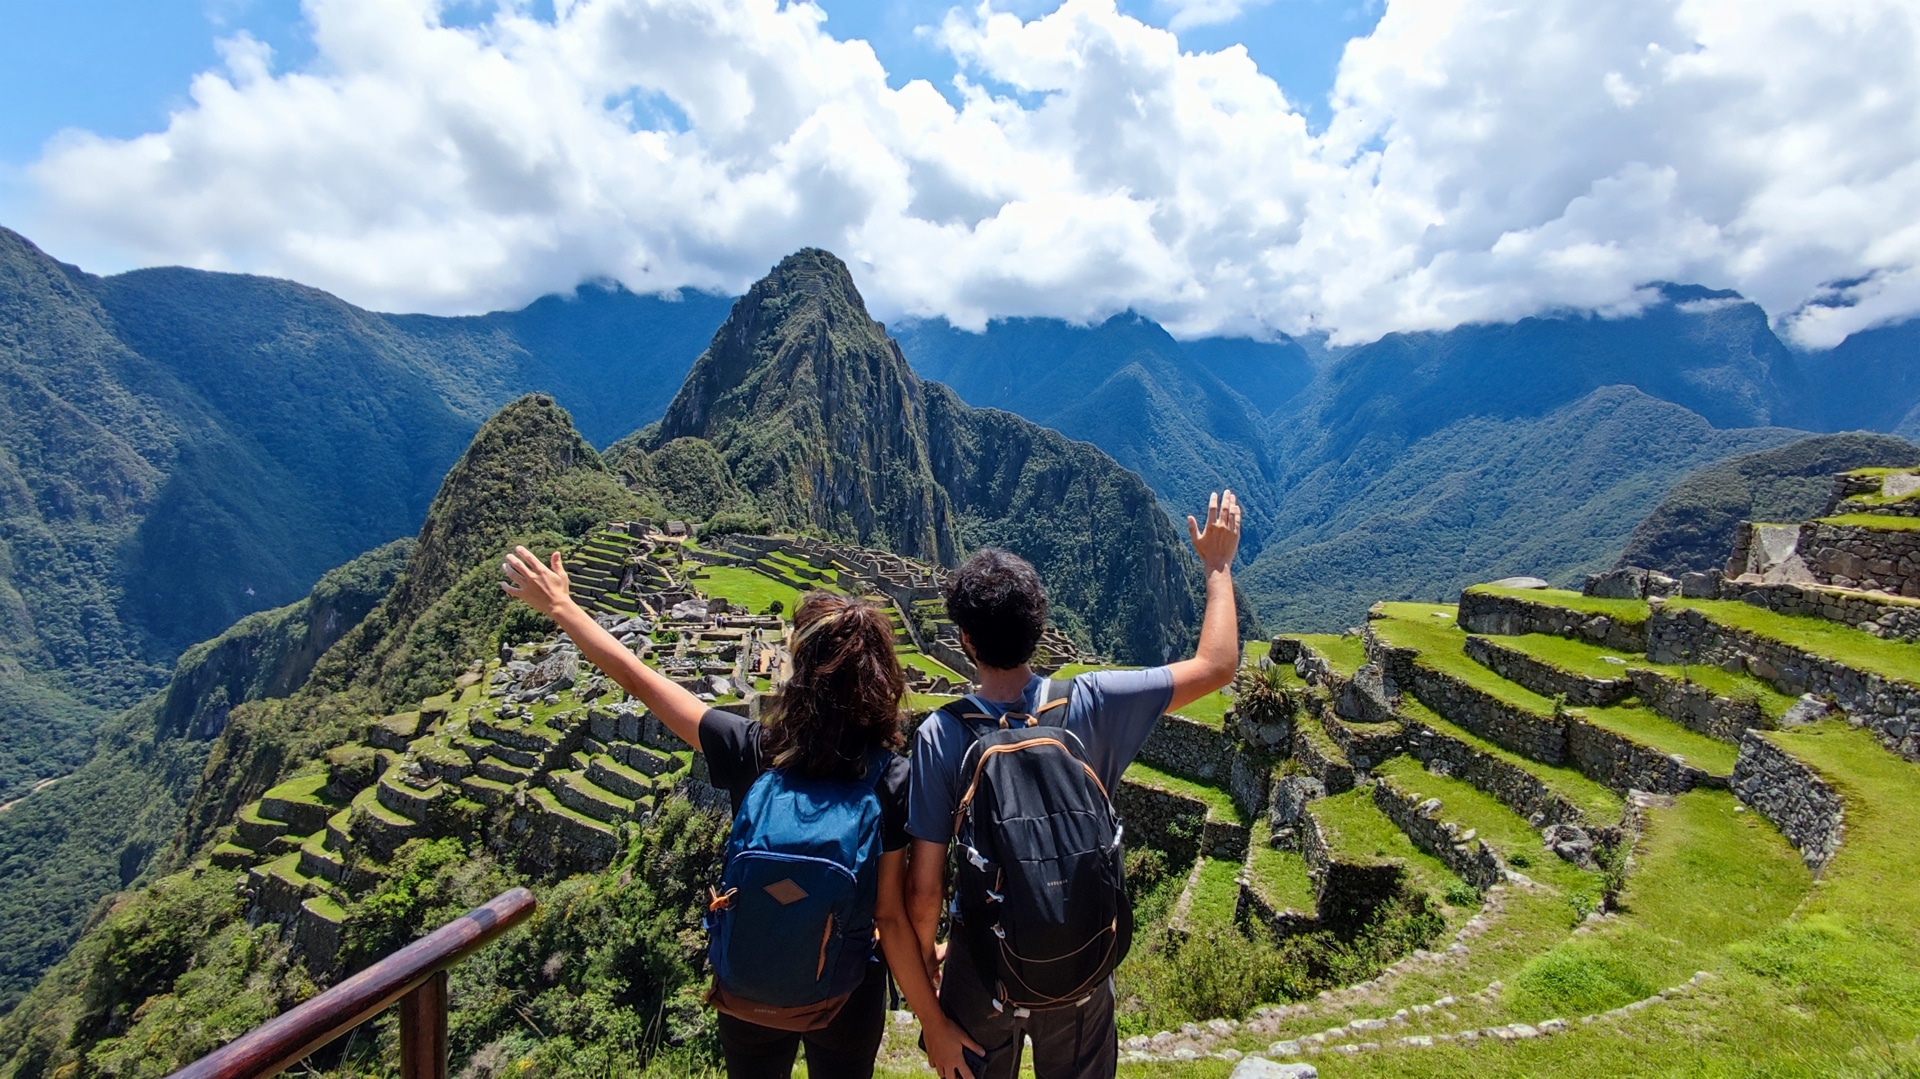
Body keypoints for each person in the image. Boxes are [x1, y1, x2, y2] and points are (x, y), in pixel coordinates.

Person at [501, 548, 925, 1079]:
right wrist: (933, 1018)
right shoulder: (891, 777)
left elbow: (637, 680)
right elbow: (890, 915)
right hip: (846, 990)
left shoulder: (751, 748)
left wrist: (562, 606)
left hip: (751, 981)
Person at [902, 490, 1245, 1079]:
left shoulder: (941, 734)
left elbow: (924, 892)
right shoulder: (1092, 701)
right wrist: (1217, 567)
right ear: (1039, 629)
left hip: (981, 968)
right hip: (1080, 964)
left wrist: (934, 990)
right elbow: (1217, 665)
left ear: (965, 641)